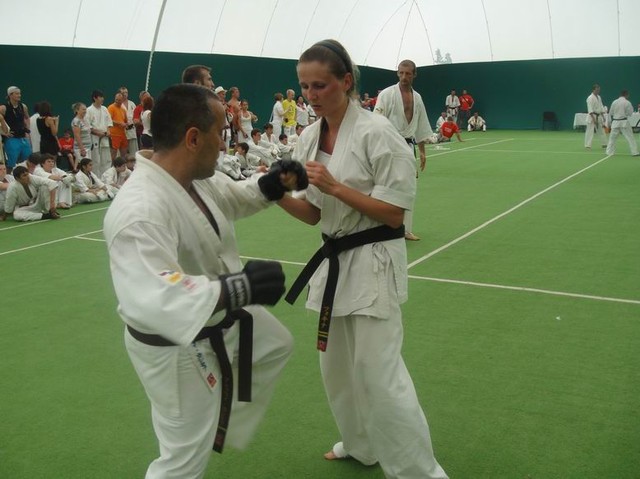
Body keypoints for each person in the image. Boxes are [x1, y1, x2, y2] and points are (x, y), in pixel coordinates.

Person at [103, 83, 306, 478]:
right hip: (173, 345)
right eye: (221, 132)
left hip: (216, 319)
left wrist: (271, 184)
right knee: (182, 458)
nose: (225, 141)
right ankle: (201, 419)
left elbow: (231, 198)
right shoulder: (139, 210)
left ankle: (218, 416)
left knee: (275, 343)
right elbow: (153, 296)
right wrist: (239, 287)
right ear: (193, 139)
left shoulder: (193, 178)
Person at [279, 39, 448, 479]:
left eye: (320, 85)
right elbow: (314, 213)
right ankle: (361, 444)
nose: (311, 95)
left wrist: (336, 187)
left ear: (346, 81)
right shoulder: (309, 137)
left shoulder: (378, 133)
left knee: (379, 373)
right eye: (305, 86)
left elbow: (394, 214)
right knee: (335, 367)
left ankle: (419, 471)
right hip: (335, 260)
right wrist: (276, 196)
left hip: (373, 258)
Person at [374, 59, 433, 242]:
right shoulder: (387, 94)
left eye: (408, 73)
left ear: (414, 74)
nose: (404, 77)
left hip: (407, 147)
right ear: (397, 73)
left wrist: (422, 151)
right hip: (388, 145)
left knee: (409, 188)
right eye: (401, 73)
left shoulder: (418, 98)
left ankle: (405, 229)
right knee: (385, 187)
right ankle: (381, 228)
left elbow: (421, 125)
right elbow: (376, 122)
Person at [0, 86, 32, 170]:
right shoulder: (3, 108)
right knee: (11, 163)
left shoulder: (23, 106)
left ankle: (27, 176)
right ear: (10, 95)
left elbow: (27, 118)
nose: (19, 95)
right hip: (11, 139)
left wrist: (27, 129)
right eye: (17, 94)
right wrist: (3, 132)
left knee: (29, 160)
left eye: (19, 93)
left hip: (23, 138)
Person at [86, 90, 113, 177]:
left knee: (107, 160)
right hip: (95, 139)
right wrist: (99, 133)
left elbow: (109, 123)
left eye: (102, 97)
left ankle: (106, 178)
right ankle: (96, 179)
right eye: (100, 97)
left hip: (105, 138)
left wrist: (107, 131)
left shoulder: (105, 109)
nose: (102, 99)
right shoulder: (89, 110)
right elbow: (88, 127)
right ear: (95, 98)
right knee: (96, 161)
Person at [605, 90, 639, 156]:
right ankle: (634, 152)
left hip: (615, 122)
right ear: (627, 95)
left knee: (612, 138)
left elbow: (611, 112)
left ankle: (609, 152)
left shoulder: (614, 102)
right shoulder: (627, 102)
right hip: (624, 122)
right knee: (630, 138)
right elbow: (630, 113)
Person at [107, 92, 129, 161]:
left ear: (122, 100)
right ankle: (112, 166)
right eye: (116, 99)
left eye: (119, 100)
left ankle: (122, 165)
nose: (117, 101)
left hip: (122, 134)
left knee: (124, 153)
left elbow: (125, 121)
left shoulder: (123, 110)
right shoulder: (111, 107)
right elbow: (109, 120)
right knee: (113, 154)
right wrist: (120, 123)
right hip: (114, 134)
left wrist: (126, 124)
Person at [585, 83, 607, 149]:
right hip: (592, 116)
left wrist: (603, 116)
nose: (598, 91)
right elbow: (590, 109)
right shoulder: (590, 98)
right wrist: (594, 119)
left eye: (599, 90)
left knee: (601, 130)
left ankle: (604, 144)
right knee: (590, 131)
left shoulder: (599, 97)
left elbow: (601, 107)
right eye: (597, 90)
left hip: (599, 116)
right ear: (593, 90)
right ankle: (587, 145)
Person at [119, 86, 139, 156]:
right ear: (119, 94)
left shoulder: (132, 104)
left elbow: (136, 116)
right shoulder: (118, 105)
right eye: (123, 93)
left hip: (132, 130)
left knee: (133, 153)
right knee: (123, 153)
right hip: (122, 130)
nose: (125, 94)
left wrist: (135, 122)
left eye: (126, 92)